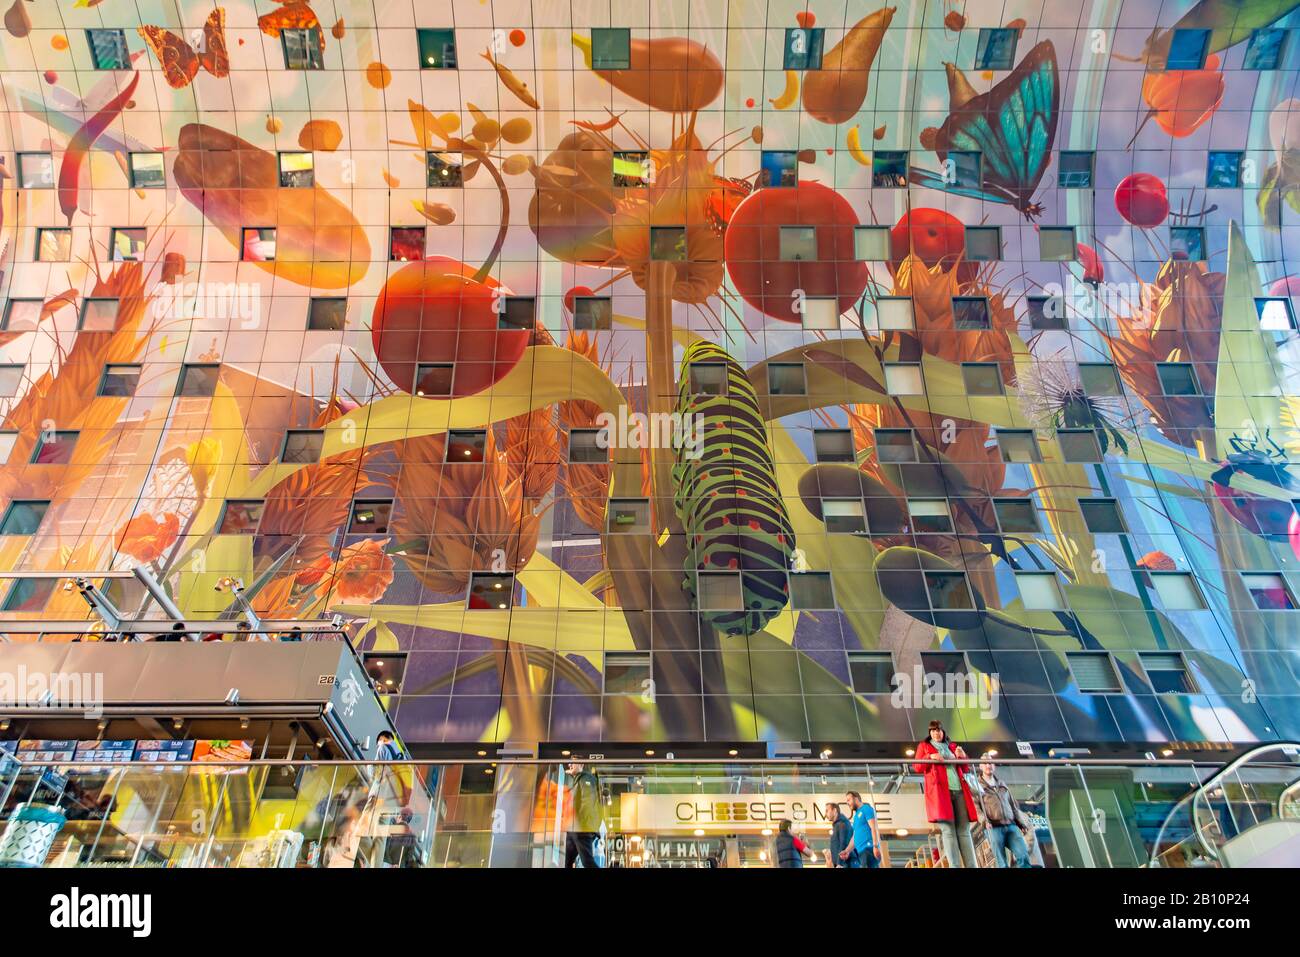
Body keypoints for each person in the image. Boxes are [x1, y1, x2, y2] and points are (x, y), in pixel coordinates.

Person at [912, 720, 979, 867]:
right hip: (940, 793)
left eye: (939, 730)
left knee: (964, 831)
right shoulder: (924, 746)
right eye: (933, 730)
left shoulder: (953, 746)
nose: (936, 733)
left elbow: (966, 768)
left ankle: (972, 865)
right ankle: (955, 865)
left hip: (959, 790)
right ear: (929, 733)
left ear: (943, 732)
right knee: (948, 830)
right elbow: (917, 766)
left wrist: (963, 757)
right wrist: (929, 757)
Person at [976, 757, 1032, 868]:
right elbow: (976, 807)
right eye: (985, 763)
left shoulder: (1002, 783)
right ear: (981, 766)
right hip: (993, 828)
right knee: (1002, 863)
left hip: (1011, 825)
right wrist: (984, 821)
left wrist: (1020, 823)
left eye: (991, 763)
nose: (988, 765)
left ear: (994, 766)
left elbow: (1013, 805)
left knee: (1023, 855)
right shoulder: (978, 785)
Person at [564, 763, 602, 868]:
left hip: (581, 828)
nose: (570, 764)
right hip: (574, 829)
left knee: (587, 861)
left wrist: (581, 824)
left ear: (581, 764)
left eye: (573, 762)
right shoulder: (578, 780)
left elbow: (587, 803)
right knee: (566, 862)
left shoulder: (586, 779)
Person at [839, 790, 882, 868]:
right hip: (861, 852)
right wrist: (847, 850)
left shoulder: (866, 808)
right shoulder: (856, 817)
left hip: (868, 849)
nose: (847, 803)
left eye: (849, 800)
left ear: (856, 799)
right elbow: (855, 836)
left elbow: (873, 827)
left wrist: (875, 846)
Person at [826, 803, 852, 868]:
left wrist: (840, 863)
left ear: (834, 810)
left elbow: (844, 843)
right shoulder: (836, 825)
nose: (826, 814)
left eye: (827, 811)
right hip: (841, 863)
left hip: (846, 863)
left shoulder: (842, 824)